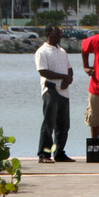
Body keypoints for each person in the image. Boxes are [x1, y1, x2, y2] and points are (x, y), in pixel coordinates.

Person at [35, 24, 74, 163]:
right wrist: (63, 77)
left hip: (64, 92)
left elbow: (69, 69)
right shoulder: (42, 51)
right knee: (49, 124)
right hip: (51, 91)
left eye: (60, 33)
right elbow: (43, 72)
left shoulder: (62, 51)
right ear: (48, 34)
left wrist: (68, 80)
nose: (59, 36)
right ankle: (44, 154)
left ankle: (59, 153)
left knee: (63, 126)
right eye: (56, 33)